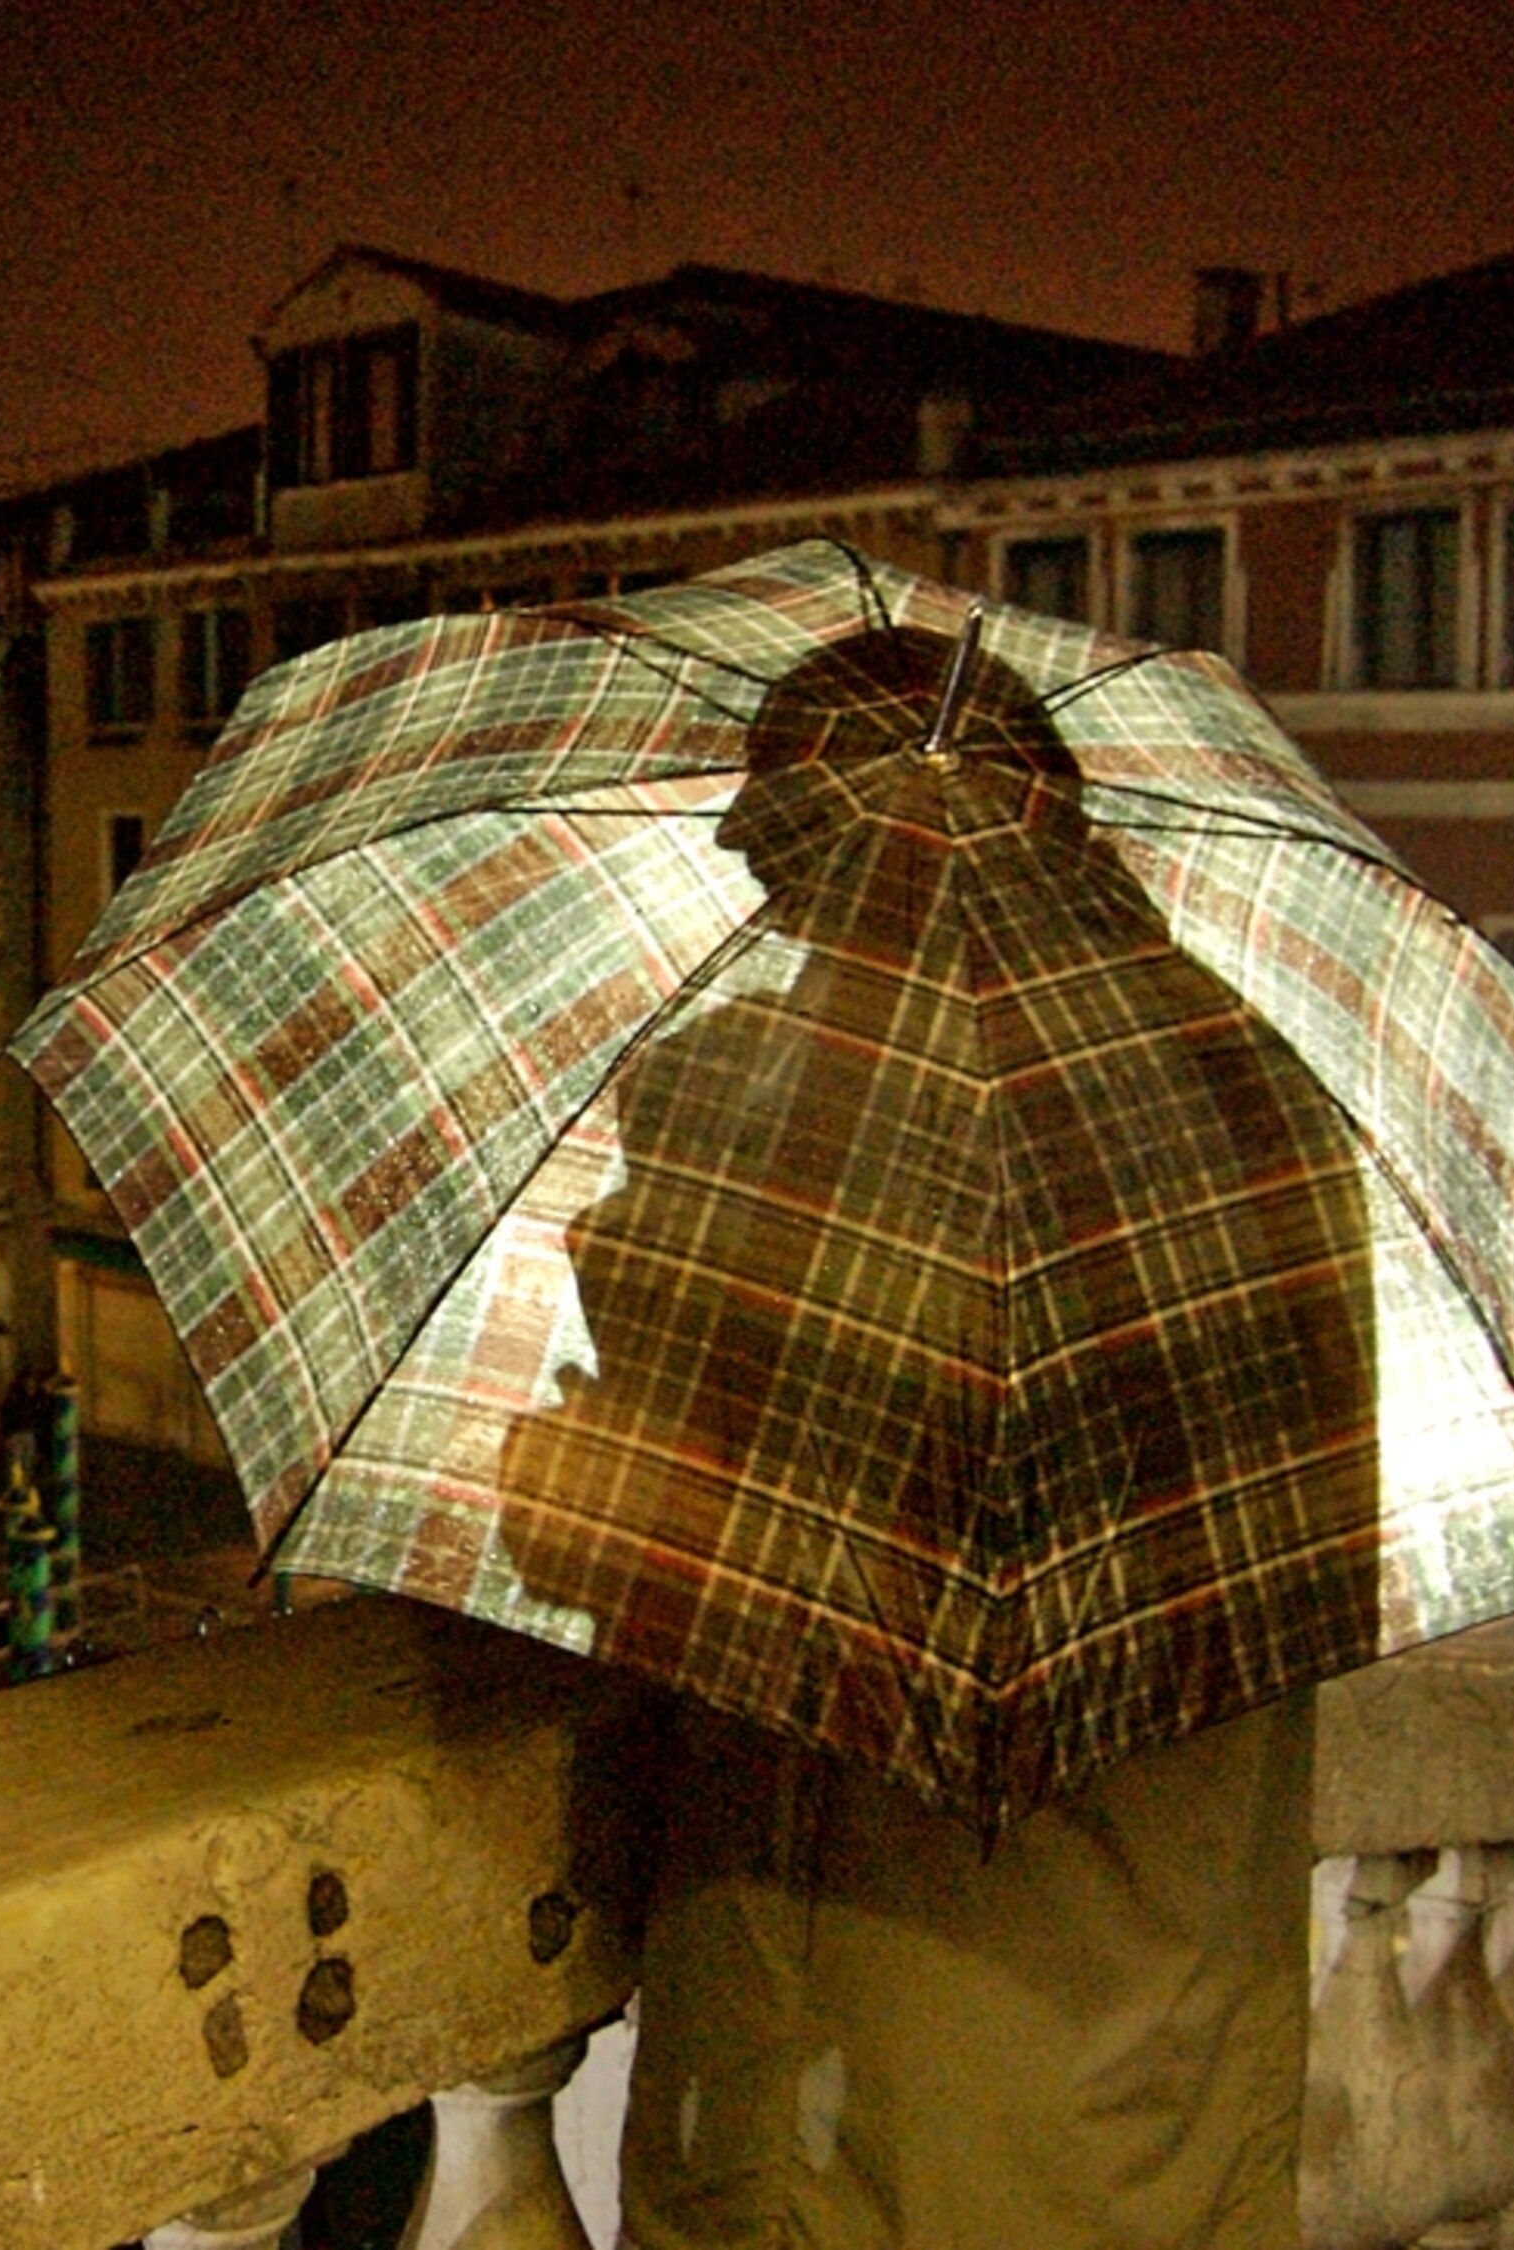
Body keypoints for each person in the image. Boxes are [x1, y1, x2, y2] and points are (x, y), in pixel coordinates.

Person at [493, 618, 1359, 2247]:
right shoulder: (1259, 1101)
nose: (756, 882)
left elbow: (693, 1549)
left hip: (862, 2107)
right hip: (1157, 2069)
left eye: (785, 849)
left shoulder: (830, 1134)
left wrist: (572, 1470)